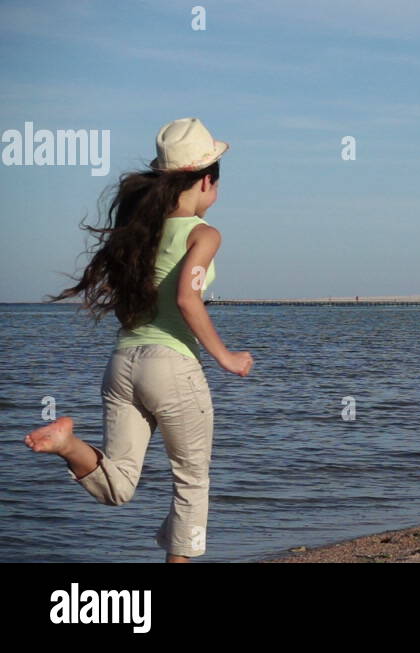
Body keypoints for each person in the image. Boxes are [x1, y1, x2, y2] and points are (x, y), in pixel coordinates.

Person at [23, 117, 253, 562]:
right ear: (208, 181)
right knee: (191, 481)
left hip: (123, 364)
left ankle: (68, 444)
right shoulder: (204, 234)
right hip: (171, 367)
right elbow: (188, 298)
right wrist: (226, 357)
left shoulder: (139, 236)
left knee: (119, 485)